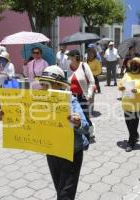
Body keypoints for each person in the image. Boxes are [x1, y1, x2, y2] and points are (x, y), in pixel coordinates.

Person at [36, 65, 89, 200]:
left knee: (65, 195)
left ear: (59, 85)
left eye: (47, 84)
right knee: (60, 189)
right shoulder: (39, 102)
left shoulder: (71, 101)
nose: (43, 87)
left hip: (71, 153)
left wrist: (77, 123)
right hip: (52, 152)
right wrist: (7, 116)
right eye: (42, 84)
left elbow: (85, 127)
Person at [118, 57, 140, 152]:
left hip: (137, 104)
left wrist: (138, 91)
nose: (134, 66)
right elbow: (120, 84)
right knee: (128, 123)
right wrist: (121, 87)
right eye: (132, 64)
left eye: (136, 64)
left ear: (139, 66)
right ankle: (135, 134)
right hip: (126, 103)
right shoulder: (127, 74)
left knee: (133, 124)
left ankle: (131, 143)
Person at [67, 50, 95, 140]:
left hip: (82, 96)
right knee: (75, 116)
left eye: (70, 56)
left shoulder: (84, 66)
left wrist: (89, 94)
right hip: (71, 96)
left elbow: (92, 81)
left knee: (84, 116)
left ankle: (88, 133)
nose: (69, 58)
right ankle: (80, 133)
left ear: (75, 57)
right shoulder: (68, 67)